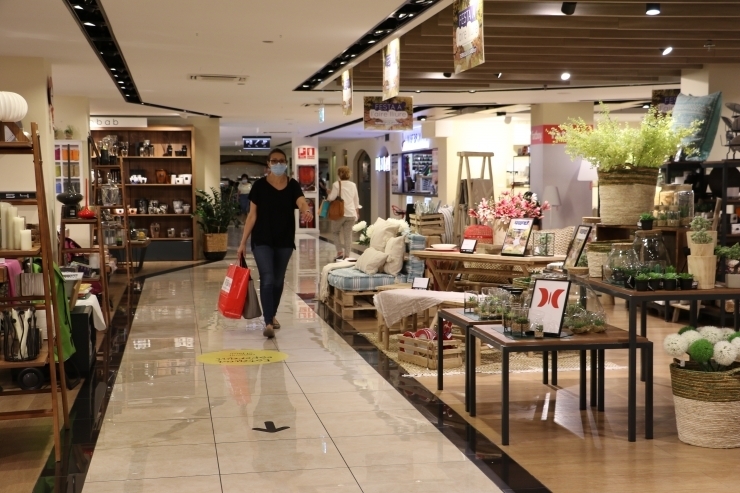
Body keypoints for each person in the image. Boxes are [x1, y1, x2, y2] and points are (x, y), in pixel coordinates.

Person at [237, 148, 313, 338]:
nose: (278, 164)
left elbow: (301, 201)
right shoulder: (259, 186)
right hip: (262, 239)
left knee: (278, 281)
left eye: (281, 161)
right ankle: (268, 322)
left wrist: (306, 210)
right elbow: (252, 216)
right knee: (268, 277)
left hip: (284, 240)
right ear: (268, 164)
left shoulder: (292, 184)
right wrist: (242, 242)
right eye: (274, 161)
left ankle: (272, 314)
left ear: (286, 163)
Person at [327, 166, 360, 260]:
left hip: (339, 213)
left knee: (335, 232)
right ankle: (347, 255)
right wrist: (357, 211)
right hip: (351, 214)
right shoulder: (353, 185)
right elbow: (356, 199)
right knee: (348, 235)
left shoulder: (336, 184)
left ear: (339, 174)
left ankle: (339, 251)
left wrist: (329, 193)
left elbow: (331, 198)